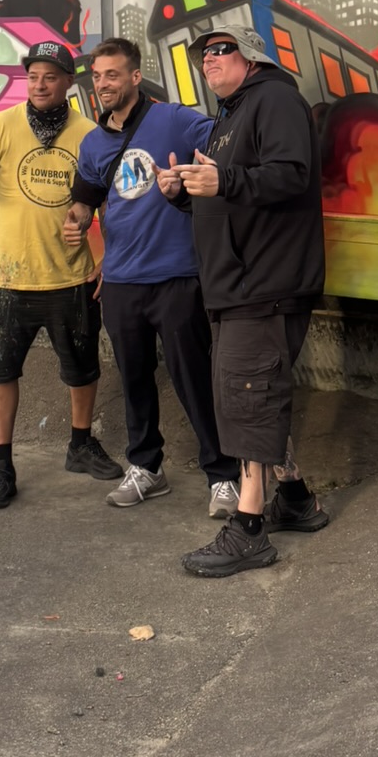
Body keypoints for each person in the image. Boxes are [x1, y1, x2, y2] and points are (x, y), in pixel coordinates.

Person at [157, 23, 331, 577]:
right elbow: (228, 193)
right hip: (236, 285)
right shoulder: (229, 117)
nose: (207, 60)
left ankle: (250, 528)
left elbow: (289, 175)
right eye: (202, 55)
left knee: (249, 398)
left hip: (265, 284)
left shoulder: (274, 99)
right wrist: (184, 193)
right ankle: (296, 499)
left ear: (250, 55)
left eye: (219, 50)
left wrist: (224, 182)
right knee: (250, 395)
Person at [0, 39, 122, 509]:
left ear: (68, 82)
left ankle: (80, 444)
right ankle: (1, 465)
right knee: (0, 371)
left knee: (82, 369)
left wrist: (107, 258)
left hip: (71, 278)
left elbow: (109, 202)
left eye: (50, 77)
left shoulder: (90, 135)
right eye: (33, 76)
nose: (39, 85)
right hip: (8, 277)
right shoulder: (2, 126)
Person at [61, 38, 240, 518]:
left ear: (135, 77)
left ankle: (223, 475)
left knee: (194, 379)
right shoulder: (93, 142)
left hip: (178, 277)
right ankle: (146, 467)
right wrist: (75, 222)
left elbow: (230, 142)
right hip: (120, 282)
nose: (103, 84)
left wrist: (196, 179)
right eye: (97, 76)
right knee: (135, 380)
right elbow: (85, 200)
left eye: (112, 75)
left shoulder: (174, 120)